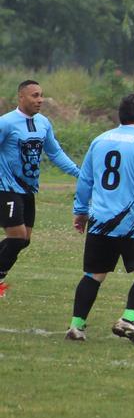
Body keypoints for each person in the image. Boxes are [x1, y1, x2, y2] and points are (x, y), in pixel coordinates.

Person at [66, 93, 134, 345]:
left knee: (93, 274)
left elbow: (85, 179)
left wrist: (81, 211)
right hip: (133, 224)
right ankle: (128, 319)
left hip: (99, 221)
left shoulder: (100, 140)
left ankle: (76, 325)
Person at [0, 80, 81, 297]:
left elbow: (55, 153)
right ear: (21, 97)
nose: (40, 100)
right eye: (35, 95)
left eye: (41, 95)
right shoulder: (6, 123)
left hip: (28, 190)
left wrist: (78, 173)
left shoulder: (43, 123)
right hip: (6, 188)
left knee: (24, 240)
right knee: (17, 237)